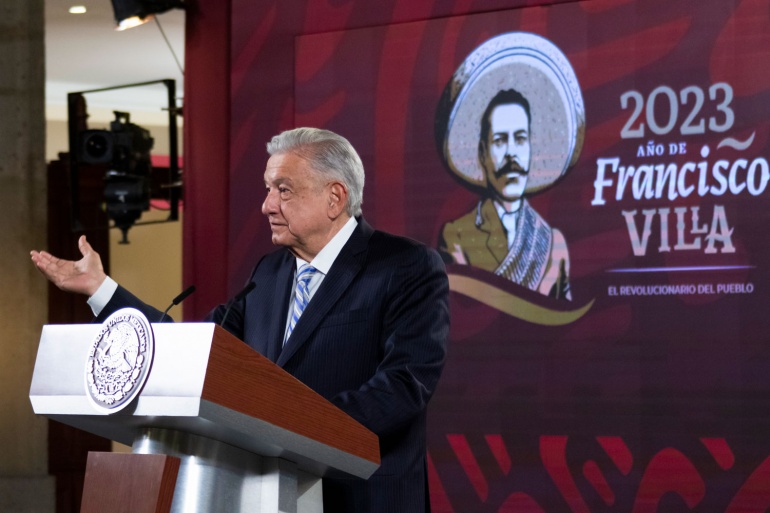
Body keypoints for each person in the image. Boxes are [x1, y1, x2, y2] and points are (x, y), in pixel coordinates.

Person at [31, 127, 450, 513]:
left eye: (283, 190)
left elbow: (404, 385)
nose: (267, 205)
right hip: (266, 495)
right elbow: (191, 355)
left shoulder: (404, 266)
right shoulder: (269, 273)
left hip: (361, 498)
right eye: (268, 189)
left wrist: (291, 423)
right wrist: (101, 290)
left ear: (335, 197)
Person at [438, 88, 571, 300]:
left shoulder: (553, 243)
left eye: (520, 139)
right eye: (500, 141)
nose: (511, 153)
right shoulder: (457, 237)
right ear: (483, 152)